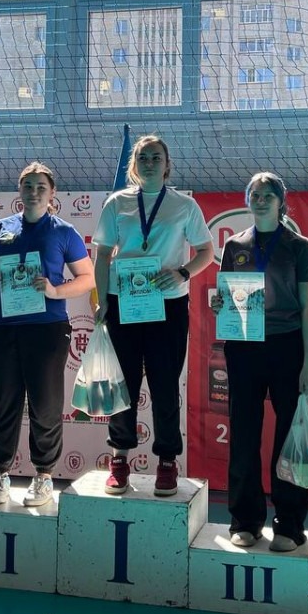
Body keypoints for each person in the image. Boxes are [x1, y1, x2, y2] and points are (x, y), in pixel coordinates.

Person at [93, 135, 214, 497]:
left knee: (165, 386)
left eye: (156, 157)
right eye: (143, 157)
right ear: (134, 165)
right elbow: (103, 255)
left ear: (167, 165)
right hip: (124, 303)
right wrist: (103, 300)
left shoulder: (184, 205)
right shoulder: (117, 203)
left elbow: (206, 251)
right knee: (123, 385)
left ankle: (167, 461)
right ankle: (119, 459)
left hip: (168, 306)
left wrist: (183, 273)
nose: (149, 162)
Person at [0, 163, 95, 508]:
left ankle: (43, 476)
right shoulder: (0, 228)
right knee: (5, 405)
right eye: (28, 185)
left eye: (41, 186)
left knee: (45, 407)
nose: (34, 192)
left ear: (52, 192)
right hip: (2, 329)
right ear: (20, 190)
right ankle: (0, 473)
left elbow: (87, 278)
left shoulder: (64, 231)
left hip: (46, 330)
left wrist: (56, 291)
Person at [214, 173, 308, 549]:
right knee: (243, 435)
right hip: (244, 346)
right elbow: (227, 297)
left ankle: (289, 524)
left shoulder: (300, 247)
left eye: (267, 195)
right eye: (254, 194)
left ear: (280, 202)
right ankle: (245, 520)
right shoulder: (234, 245)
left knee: (290, 438)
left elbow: (307, 311)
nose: (259, 200)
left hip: (287, 346)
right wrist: (220, 303)